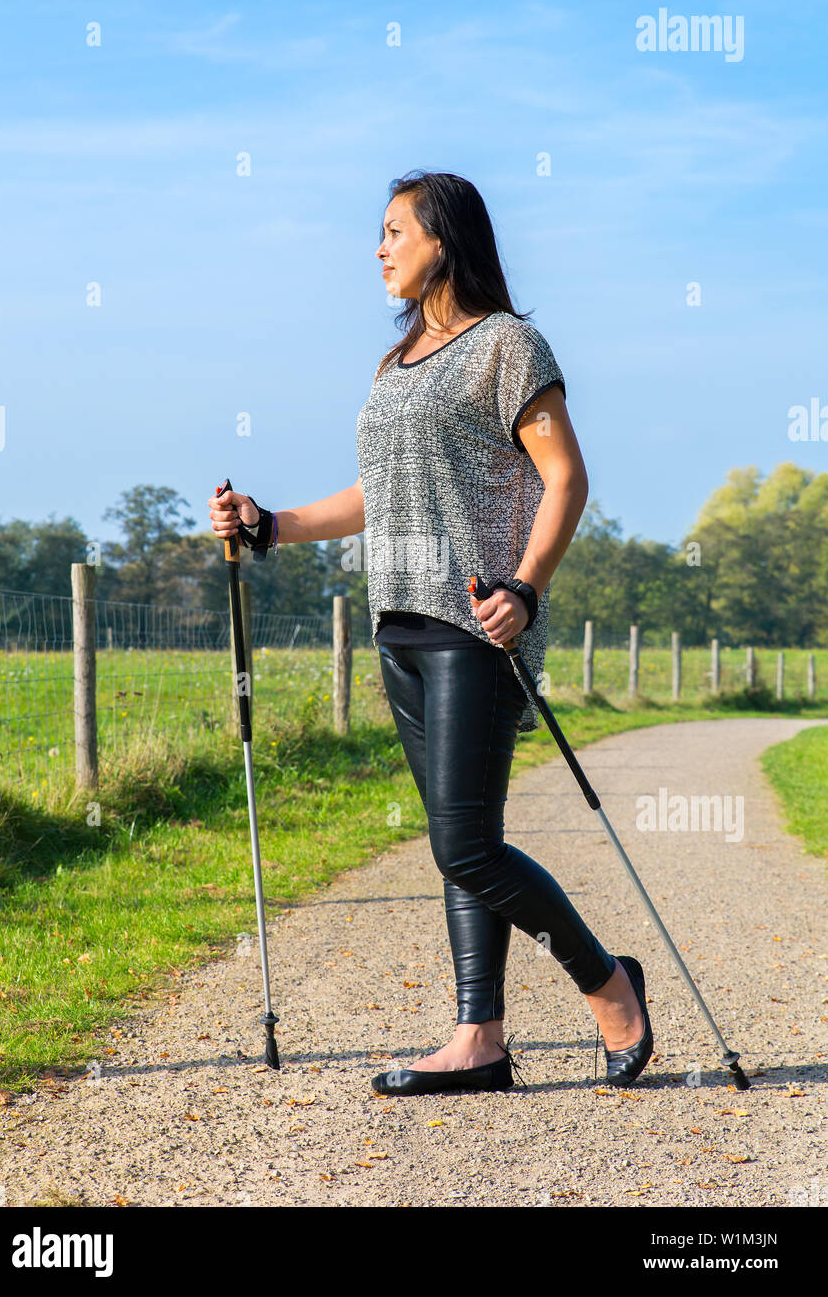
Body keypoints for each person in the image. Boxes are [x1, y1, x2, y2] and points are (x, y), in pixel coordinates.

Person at [208, 170, 653, 1097]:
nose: (378, 249)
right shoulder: (398, 361)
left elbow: (566, 478)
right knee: (466, 836)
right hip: (398, 621)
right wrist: (271, 523)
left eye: (393, 231)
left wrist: (525, 589)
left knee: (465, 849)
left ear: (442, 240)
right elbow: (384, 494)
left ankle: (610, 987)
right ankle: (478, 1040)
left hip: (475, 620)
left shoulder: (508, 347)